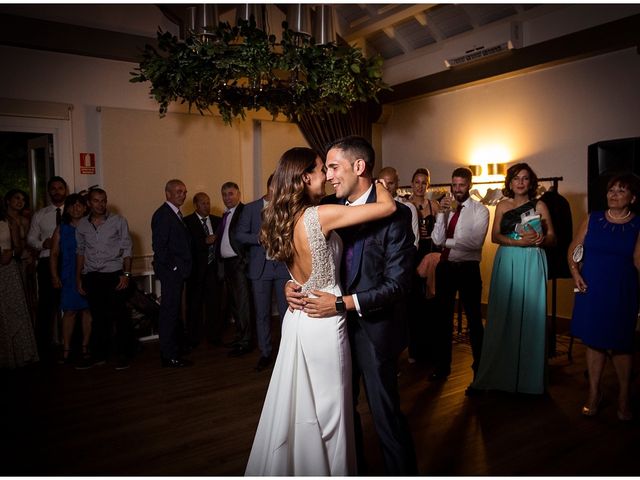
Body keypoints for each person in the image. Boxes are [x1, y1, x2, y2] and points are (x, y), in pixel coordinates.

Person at [246, 145, 398, 475]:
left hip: (298, 316)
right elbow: (386, 208)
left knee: (302, 402)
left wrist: (290, 286)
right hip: (326, 319)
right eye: (321, 169)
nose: (327, 177)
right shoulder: (319, 215)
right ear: (305, 177)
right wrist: (381, 183)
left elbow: (293, 270)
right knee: (332, 411)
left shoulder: (282, 217)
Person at [285, 136, 418, 475]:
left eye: (333, 167)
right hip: (329, 332)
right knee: (341, 413)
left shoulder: (397, 215)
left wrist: (343, 304)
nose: (328, 176)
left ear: (358, 167)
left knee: (384, 414)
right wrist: (293, 286)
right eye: (325, 169)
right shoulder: (326, 206)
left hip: (373, 331)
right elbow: (307, 259)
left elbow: (399, 284)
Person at [469, 163, 556, 395]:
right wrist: (517, 242)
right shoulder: (501, 204)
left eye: (525, 178)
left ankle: (529, 381)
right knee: (503, 313)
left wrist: (540, 239)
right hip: (508, 259)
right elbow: (495, 236)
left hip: (532, 259)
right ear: (509, 182)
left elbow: (553, 238)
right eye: (516, 178)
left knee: (531, 315)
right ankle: (497, 376)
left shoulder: (540, 205)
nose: (520, 182)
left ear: (531, 182)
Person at [569, 173, 640, 421]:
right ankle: (594, 394)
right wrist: (575, 272)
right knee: (594, 341)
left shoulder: (638, 224)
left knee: (622, 344)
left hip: (622, 291)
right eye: (611, 190)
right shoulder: (593, 219)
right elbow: (575, 249)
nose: (614, 194)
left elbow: (638, 261)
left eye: (621, 190)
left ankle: (623, 397)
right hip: (591, 288)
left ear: (633, 197)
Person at [431, 167, 489, 381]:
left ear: (469, 185)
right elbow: (436, 240)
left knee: (474, 318)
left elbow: (475, 243)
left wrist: (447, 242)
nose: (457, 190)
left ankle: (480, 367)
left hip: (468, 270)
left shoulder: (480, 211)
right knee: (442, 320)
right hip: (446, 268)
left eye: (461, 185)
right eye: (454, 185)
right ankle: (442, 368)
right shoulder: (446, 208)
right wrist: (441, 215)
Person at [76, 188, 135, 370]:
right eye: (96, 201)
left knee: (119, 316)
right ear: (89, 203)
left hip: (114, 274)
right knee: (98, 317)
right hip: (92, 276)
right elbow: (80, 252)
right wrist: (78, 278)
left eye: (103, 201)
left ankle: (122, 354)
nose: (100, 204)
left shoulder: (118, 221)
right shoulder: (82, 226)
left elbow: (127, 249)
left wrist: (126, 274)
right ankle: (98, 355)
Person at [235, 174, 289, 372]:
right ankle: (265, 352)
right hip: (261, 269)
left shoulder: (286, 207)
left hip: (283, 267)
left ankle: (286, 354)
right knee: (262, 314)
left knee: (287, 314)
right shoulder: (250, 208)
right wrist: (259, 238)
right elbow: (239, 235)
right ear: (271, 187)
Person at [151, 179, 193, 368]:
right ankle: (168, 355)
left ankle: (173, 349)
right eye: (178, 191)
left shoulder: (175, 214)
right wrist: (175, 268)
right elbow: (159, 248)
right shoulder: (163, 215)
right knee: (169, 313)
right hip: (171, 272)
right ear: (167, 193)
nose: (182, 195)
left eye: (184, 192)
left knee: (173, 312)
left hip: (176, 272)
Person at [27, 176, 68, 361]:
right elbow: (30, 239)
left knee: (72, 304)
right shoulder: (40, 214)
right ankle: (42, 347)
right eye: (53, 188)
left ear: (65, 190)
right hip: (46, 264)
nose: (57, 191)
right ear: (49, 191)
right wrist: (43, 244)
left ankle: (70, 344)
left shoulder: (75, 210)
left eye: (60, 188)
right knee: (46, 306)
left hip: (68, 262)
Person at [49, 193, 92, 365]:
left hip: (88, 273)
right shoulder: (61, 228)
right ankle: (66, 349)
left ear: (85, 207)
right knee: (70, 312)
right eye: (72, 205)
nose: (76, 208)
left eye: (80, 205)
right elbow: (53, 254)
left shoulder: (91, 226)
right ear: (67, 208)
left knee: (88, 311)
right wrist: (54, 275)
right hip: (68, 275)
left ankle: (85, 347)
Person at [214, 182, 253, 358]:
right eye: (224, 195)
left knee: (243, 305)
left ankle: (246, 342)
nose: (227, 198)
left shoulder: (245, 211)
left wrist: (244, 262)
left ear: (238, 194)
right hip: (226, 266)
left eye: (230, 194)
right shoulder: (225, 215)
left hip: (239, 264)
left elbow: (250, 237)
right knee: (235, 306)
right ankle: (239, 338)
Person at [0, 204, 39, 368]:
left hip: (7, 269)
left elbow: (18, 246)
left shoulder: (7, 222)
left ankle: (19, 354)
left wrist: (11, 253)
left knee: (14, 310)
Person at [183, 192, 222, 348]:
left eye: (208, 202)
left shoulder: (218, 221)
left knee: (214, 304)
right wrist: (204, 241)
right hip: (196, 271)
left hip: (214, 269)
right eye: (203, 203)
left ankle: (214, 336)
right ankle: (194, 338)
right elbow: (186, 245)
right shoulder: (187, 222)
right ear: (196, 205)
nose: (207, 206)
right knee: (194, 305)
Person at [4, 189, 36, 321]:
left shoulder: (25, 220)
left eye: (23, 200)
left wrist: (31, 257)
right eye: (17, 198)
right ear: (8, 201)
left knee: (26, 295)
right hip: (7, 262)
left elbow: (29, 242)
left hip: (24, 261)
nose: (20, 202)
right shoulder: (3, 219)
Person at [378, 167, 419, 249]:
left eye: (390, 183)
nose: (386, 187)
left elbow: (415, 242)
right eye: (382, 184)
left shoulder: (409, 207)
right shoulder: (371, 207)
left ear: (397, 184)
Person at [408, 167, 440, 258]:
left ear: (428, 186)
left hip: (431, 249)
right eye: (417, 182)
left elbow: (442, 229)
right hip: (412, 250)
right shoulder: (406, 206)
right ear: (412, 184)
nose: (420, 186)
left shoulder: (434, 205)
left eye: (424, 183)